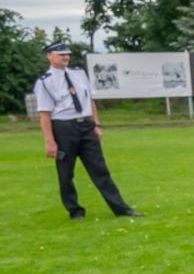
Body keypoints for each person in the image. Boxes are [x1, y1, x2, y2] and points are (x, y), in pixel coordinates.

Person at [34, 40, 141, 220]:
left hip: (85, 125)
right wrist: (49, 141)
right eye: (61, 54)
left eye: (67, 54)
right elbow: (44, 114)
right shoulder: (45, 82)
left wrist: (96, 125)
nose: (65, 57)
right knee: (66, 173)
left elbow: (89, 100)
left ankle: (121, 208)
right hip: (63, 127)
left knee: (100, 169)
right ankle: (75, 210)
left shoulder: (79, 73)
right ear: (49, 56)